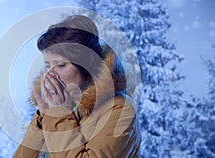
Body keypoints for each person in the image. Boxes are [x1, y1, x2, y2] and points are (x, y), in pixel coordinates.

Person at [13, 15, 141, 158]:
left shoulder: (120, 111)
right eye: (47, 65)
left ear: (87, 65)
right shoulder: (56, 106)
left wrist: (58, 115)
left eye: (61, 65)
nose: (49, 74)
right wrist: (42, 121)